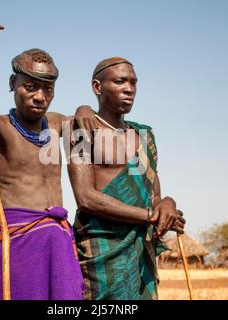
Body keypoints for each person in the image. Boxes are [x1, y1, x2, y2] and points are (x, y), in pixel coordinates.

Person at [0, 20, 94, 300]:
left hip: (59, 244)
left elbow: (98, 130)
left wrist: (84, 107)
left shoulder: (56, 125)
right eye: (30, 87)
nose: (40, 97)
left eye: (48, 90)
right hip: (21, 244)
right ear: (12, 84)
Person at [68, 57, 186, 300]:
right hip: (102, 254)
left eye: (133, 82)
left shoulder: (144, 135)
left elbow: (153, 195)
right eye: (120, 81)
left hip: (140, 255)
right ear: (97, 87)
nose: (129, 88)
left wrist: (168, 205)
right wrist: (149, 216)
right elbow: (86, 197)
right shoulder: (81, 129)